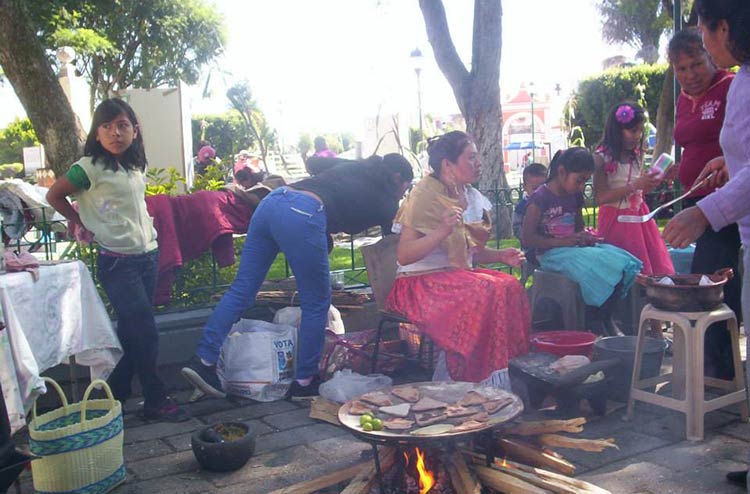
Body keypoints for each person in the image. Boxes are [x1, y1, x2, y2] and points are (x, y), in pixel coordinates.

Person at [182, 154, 414, 399]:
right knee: (316, 302)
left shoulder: (353, 167)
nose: (403, 196)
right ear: (396, 178)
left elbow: (315, 162)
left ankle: (203, 361)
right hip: (302, 213)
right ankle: (304, 382)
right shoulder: (387, 202)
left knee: (241, 290)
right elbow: (396, 241)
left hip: (271, 203)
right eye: (404, 189)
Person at [46, 98, 188, 422]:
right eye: (107, 127)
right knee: (146, 330)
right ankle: (155, 398)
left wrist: (116, 220)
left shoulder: (136, 166)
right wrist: (82, 222)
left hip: (147, 256)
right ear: (97, 134)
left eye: (122, 125)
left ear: (134, 131)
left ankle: (114, 394)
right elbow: (54, 195)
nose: (115, 133)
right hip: (116, 261)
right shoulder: (88, 168)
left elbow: (122, 206)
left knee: (132, 331)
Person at [663, 0, 750, 486]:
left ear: (723, 28)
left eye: (704, 38)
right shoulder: (743, 79)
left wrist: (704, 211)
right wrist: (724, 166)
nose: (700, 62)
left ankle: (721, 379)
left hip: (726, 216)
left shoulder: (736, 81)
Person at [385, 131, 530, 385]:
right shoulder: (424, 195)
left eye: (477, 157)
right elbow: (404, 255)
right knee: (487, 290)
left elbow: (468, 253)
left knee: (510, 286)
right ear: (447, 164)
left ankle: (503, 374)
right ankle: (468, 378)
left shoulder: (471, 196)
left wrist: (500, 256)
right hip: (417, 283)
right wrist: (442, 230)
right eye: (471, 157)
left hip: (455, 276)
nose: (479, 163)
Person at [669, 27, 740, 379]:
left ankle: (719, 372)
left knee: (712, 282)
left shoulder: (731, 86)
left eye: (696, 64)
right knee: (715, 279)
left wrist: (728, 164)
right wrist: (679, 171)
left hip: (728, 203)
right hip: (696, 199)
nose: (690, 75)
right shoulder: (683, 98)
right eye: (681, 69)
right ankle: (719, 368)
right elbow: (692, 145)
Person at [522, 147, 643, 336]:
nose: (581, 187)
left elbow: (578, 228)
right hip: (549, 254)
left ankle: (604, 317)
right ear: (562, 172)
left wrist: (585, 237)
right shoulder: (540, 198)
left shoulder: (575, 196)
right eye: (579, 180)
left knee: (621, 260)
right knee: (601, 264)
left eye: (584, 181)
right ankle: (594, 321)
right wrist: (561, 242)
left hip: (572, 249)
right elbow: (527, 238)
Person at [594, 101, 674, 277]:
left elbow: (637, 189)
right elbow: (600, 198)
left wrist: (647, 184)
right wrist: (634, 186)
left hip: (639, 217)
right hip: (615, 219)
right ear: (617, 130)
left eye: (639, 130)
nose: (637, 135)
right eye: (632, 130)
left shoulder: (636, 154)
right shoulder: (602, 158)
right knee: (623, 269)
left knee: (651, 267)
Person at [512, 163, 548, 242]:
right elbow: (516, 227)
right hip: (531, 248)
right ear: (525, 187)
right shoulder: (521, 206)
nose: (539, 192)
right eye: (535, 188)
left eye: (542, 187)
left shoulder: (550, 202)